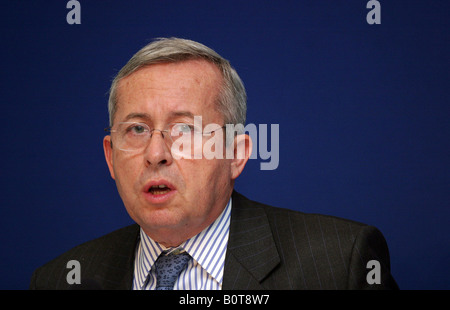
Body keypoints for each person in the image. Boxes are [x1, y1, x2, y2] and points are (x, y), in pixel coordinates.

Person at [29, 37, 398, 290]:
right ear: (110, 157)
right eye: (137, 129)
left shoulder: (339, 264)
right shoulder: (59, 279)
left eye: (184, 129)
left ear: (236, 154)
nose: (156, 153)